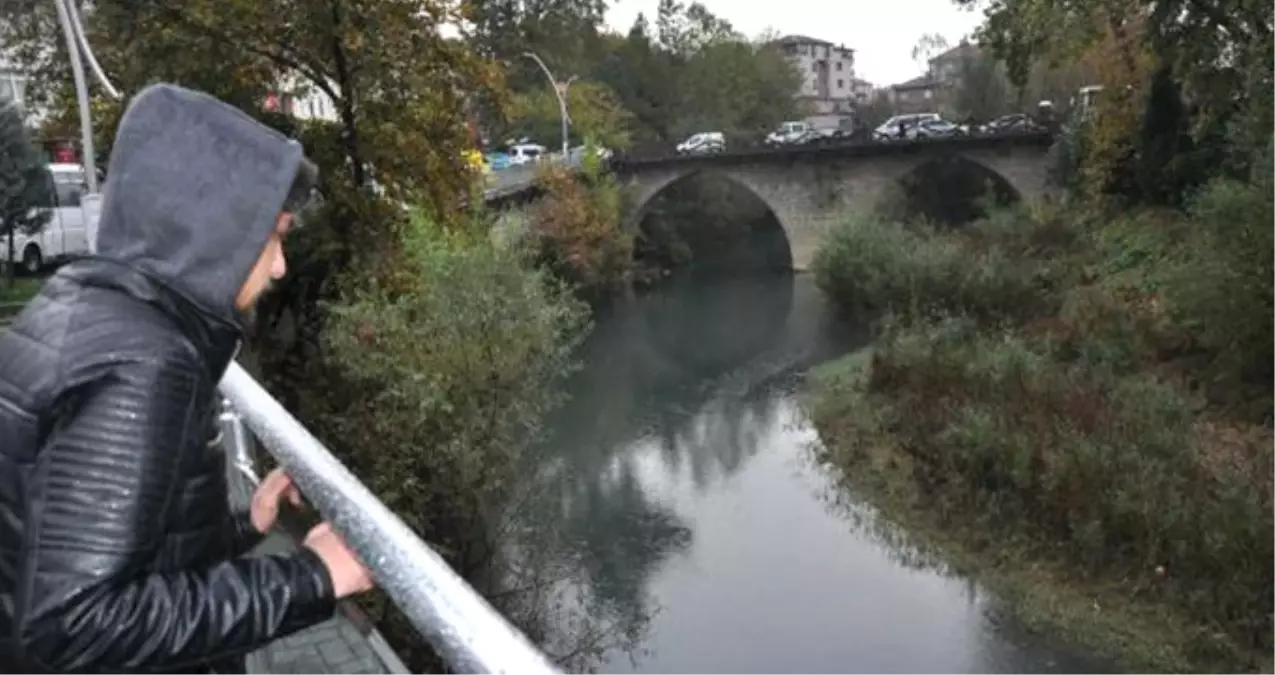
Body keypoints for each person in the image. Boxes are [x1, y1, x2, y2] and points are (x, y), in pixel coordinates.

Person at [0, 83, 374, 674]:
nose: (280, 264)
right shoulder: (148, 362)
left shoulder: (76, 304)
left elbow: (87, 546)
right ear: (212, 227)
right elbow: (71, 624)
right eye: (273, 236)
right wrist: (313, 577)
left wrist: (245, 523)